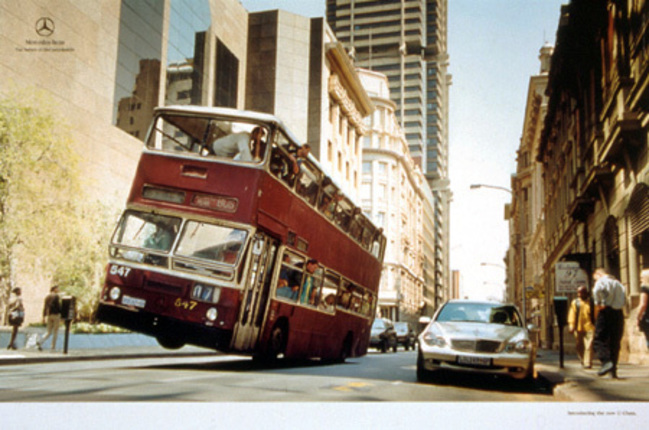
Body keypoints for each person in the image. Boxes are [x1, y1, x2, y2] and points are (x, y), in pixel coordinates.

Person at [592, 268, 626, 377]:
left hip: (605, 311)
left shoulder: (601, 281)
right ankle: (613, 370)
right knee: (615, 342)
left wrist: (600, 302)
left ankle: (606, 361)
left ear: (598, 274)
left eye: (595, 278)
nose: (595, 280)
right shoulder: (618, 284)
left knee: (599, 339)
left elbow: (597, 291)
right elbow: (624, 298)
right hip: (618, 313)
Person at [568, 285, 595, 368]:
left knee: (589, 345)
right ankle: (583, 359)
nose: (579, 295)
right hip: (578, 327)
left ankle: (587, 362)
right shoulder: (575, 303)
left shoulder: (592, 302)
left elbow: (596, 314)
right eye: (578, 293)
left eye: (581, 293)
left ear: (586, 293)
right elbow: (572, 315)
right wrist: (571, 325)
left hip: (590, 327)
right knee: (579, 346)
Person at [37, 285, 62, 351]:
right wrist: (61, 313)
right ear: (54, 289)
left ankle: (40, 341)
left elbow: (45, 307)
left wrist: (43, 316)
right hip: (56, 315)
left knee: (48, 332)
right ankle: (53, 347)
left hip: (49, 315)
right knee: (55, 332)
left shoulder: (47, 297)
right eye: (57, 288)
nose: (58, 289)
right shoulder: (56, 296)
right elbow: (58, 306)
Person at [637, 268, 649, 349]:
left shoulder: (645, 288)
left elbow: (643, 304)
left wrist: (638, 316)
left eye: (641, 277)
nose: (640, 279)